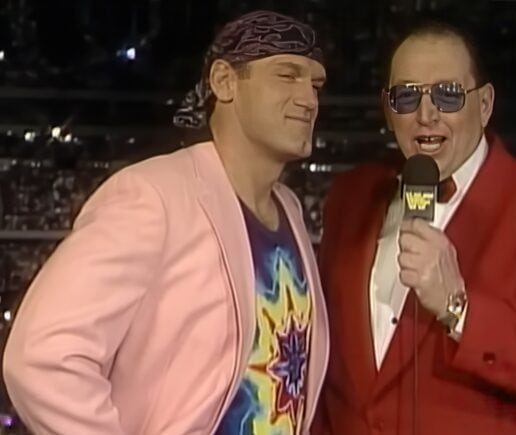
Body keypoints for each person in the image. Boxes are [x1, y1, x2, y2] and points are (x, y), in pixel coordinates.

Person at [3, 10, 329, 435]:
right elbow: (42, 356)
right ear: (224, 81)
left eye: (315, 84)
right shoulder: (154, 196)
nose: (309, 99)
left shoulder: (290, 210)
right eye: (287, 75)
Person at [313, 21, 516, 435]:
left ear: (485, 104)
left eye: (448, 94)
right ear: (388, 110)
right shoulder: (351, 196)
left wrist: (459, 308)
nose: (426, 115)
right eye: (407, 96)